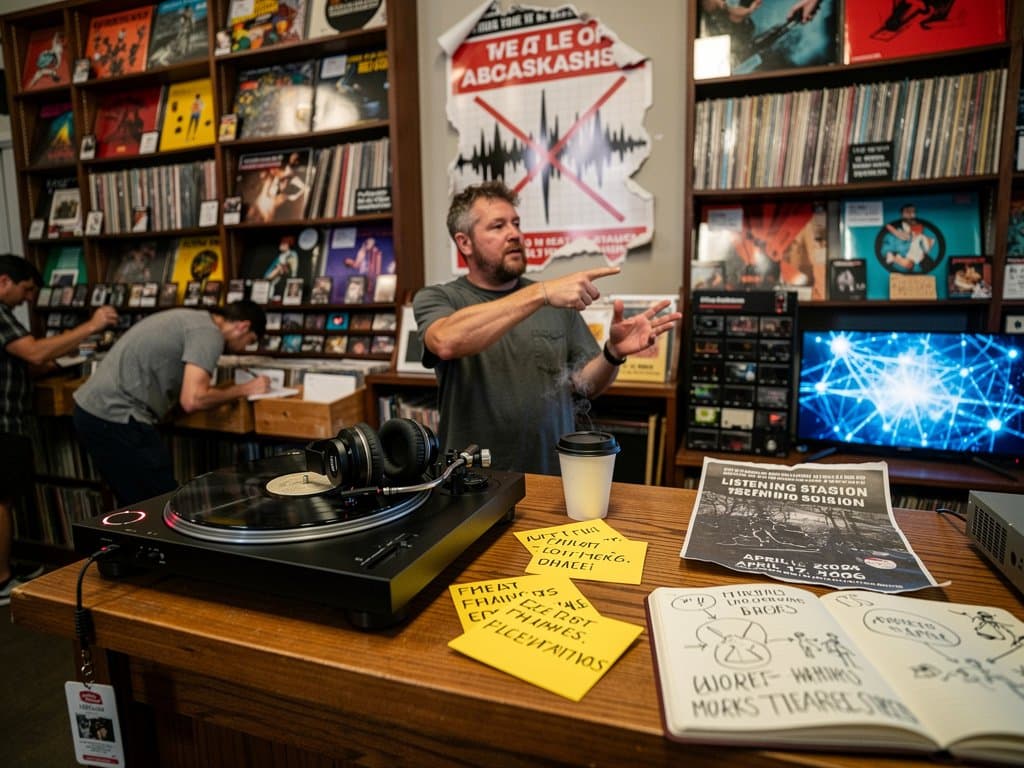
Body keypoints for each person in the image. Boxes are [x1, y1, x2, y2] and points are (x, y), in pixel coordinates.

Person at [413, 181, 680, 475]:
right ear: (465, 243)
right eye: (498, 226)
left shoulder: (555, 299)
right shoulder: (441, 298)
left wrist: (613, 354)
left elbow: (585, 383)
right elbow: (446, 341)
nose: (514, 234)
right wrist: (541, 293)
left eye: (516, 223)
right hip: (472, 480)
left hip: (552, 474)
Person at [0, 254, 118, 606]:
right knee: (0, 500)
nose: (28, 299)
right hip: (3, 424)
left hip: (11, 421)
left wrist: (65, 356)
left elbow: (29, 363)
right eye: (26, 290)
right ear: (4, 281)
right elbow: (34, 353)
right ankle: (3, 580)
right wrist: (91, 326)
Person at [72, 301, 271, 506]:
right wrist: (246, 389)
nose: (245, 347)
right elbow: (193, 399)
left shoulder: (193, 319)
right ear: (243, 327)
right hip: (116, 415)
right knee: (162, 504)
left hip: (93, 411)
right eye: (250, 340)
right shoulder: (209, 333)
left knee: (137, 504)